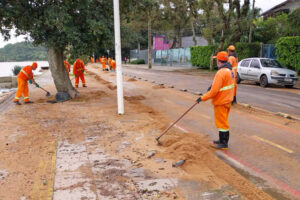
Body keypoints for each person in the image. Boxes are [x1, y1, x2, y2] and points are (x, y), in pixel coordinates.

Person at [196, 51, 234, 149]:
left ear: (218, 61)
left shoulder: (220, 73)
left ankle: (224, 143)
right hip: (227, 100)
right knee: (223, 121)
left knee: (222, 123)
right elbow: (224, 84)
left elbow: (214, 92)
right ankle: (221, 140)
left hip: (221, 101)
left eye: (216, 59)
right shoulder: (230, 71)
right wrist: (212, 86)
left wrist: (202, 98)